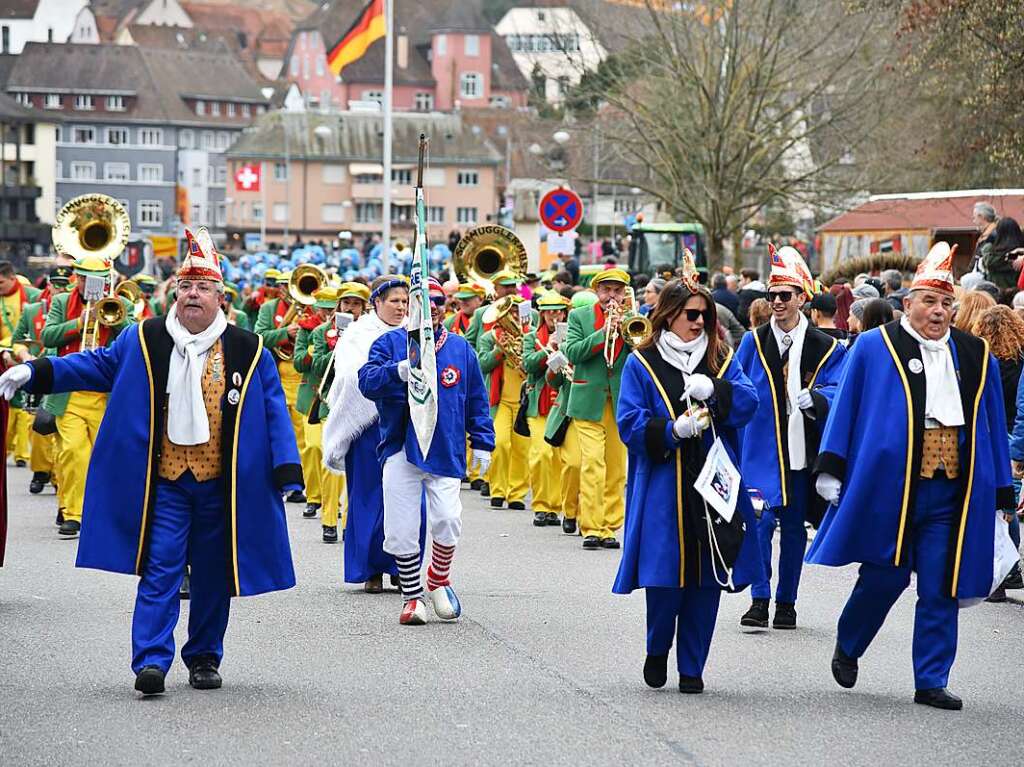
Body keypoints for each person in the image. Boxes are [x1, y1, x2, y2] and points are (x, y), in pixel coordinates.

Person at [0, 227, 301, 696]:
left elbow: (272, 407)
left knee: (213, 575)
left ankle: (203, 657)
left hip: (221, 486)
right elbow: (95, 365)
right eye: (185, 286)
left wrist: (287, 470)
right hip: (165, 482)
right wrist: (36, 370)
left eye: (203, 287)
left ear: (221, 296)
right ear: (173, 293)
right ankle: (151, 661)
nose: (192, 295)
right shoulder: (146, 337)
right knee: (160, 569)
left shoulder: (248, 347)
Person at [809, 242, 1013, 711]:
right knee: (886, 576)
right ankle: (850, 641)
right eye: (929, 301)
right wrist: (831, 465)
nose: (939, 311)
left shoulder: (974, 352)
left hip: (952, 490)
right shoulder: (872, 346)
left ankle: (931, 679)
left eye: (946, 303)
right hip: (892, 486)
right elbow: (847, 409)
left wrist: (1002, 489)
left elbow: (990, 424)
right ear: (908, 303)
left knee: (942, 584)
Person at [614, 264, 763, 694]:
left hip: (714, 481)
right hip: (665, 482)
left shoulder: (721, 357)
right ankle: (658, 648)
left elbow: (749, 402)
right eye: (691, 314)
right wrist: (670, 431)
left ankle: (693, 667)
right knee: (664, 577)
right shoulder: (641, 362)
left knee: (707, 578)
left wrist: (714, 391)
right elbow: (628, 421)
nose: (699, 322)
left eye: (705, 315)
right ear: (671, 313)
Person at [358, 277, 494, 625]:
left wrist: (482, 440)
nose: (430, 308)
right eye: (422, 301)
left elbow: (477, 400)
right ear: (412, 307)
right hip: (401, 446)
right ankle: (412, 596)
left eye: (436, 301)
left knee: (448, 518)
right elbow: (366, 382)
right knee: (401, 528)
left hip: (444, 449)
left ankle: (438, 579)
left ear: (444, 307)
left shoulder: (462, 349)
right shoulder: (390, 343)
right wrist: (397, 371)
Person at [735, 245, 847, 630]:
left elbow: (841, 392)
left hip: (801, 453)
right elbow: (737, 385)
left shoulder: (827, 346)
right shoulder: (753, 341)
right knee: (760, 525)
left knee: (795, 530)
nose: (778, 302)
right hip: (761, 451)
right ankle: (759, 597)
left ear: (803, 297)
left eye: (786, 295)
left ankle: (787, 602)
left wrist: (816, 399)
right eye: (773, 295)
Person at [323, 276, 417, 590]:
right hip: (368, 425)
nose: (401, 307)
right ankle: (369, 569)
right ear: (376, 302)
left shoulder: (413, 332)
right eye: (394, 301)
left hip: (404, 422)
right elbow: (351, 377)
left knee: (401, 496)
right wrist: (391, 378)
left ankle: (400, 566)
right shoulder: (359, 333)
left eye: (404, 301)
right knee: (367, 495)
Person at [40, 256, 134, 537]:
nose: (90, 285)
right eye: (84, 279)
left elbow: (132, 338)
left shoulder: (121, 304)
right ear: (77, 279)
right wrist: (79, 323)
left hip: (105, 393)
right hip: (69, 391)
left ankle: (96, 509)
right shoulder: (60, 302)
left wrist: (116, 317)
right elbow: (47, 336)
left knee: (102, 456)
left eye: (98, 280)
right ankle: (73, 513)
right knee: (73, 452)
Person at [562, 268, 636, 549]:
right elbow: (574, 353)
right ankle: (591, 526)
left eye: (617, 291)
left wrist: (626, 331)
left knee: (616, 468)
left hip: (619, 402)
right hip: (586, 401)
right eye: (607, 290)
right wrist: (603, 333)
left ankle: (609, 527)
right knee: (593, 463)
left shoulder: (632, 319)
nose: (612, 296)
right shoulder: (579, 316)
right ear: (597, 291)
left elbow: (642, 352)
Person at [306, 282, 369, 543]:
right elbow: (312, 365)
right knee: (330, 459)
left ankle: (348, 521)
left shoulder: (369, 332)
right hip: (329, 402)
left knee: (355, 468)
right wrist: (337, 348)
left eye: (356, 304)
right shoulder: (322, 332)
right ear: (339, 306)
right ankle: (329, 520)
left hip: (359, 404)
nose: (351, 308)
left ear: (363, 308)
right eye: (347, 303)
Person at [254, 268, 321, 510]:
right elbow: (259, 336)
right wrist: (286, 332)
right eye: (282, 285)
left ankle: (300, 484)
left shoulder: (313, 307)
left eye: (286, 284)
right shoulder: (268, 309)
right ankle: (286, 479)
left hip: (303, 376)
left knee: (304, 435)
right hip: (279, 374)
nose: (285, 289)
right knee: (281, 430)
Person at [10, 266, 71, 499]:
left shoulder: (77, 310)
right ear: (49, 285)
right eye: (56, 284)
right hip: (39, 371)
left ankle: (58, 481)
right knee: (38, 428)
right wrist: (25, 357)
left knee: (62, 436)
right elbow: (18, 341)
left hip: (65, 374)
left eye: (65, 284)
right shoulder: (33, 310)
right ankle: (41, 471)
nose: (60, 289)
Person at [978, 305, 1024, 599]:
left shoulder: (987, 361)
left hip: (999, 434)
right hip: (1015, 432)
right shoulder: (1021, 359)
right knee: (1010, 501)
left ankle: (1006, 568)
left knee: (1001, 507)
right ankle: (1012, 566)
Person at [478, 294, 532, 510]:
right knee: (500, 444)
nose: (513, 317)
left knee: (521, 448)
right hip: (500, 401)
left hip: (524, 400)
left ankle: (517, 493)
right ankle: (498, 489)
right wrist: (499, 350)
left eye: (517, 312)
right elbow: (483, 364)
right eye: (510, 313)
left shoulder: (530, 336)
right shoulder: (489, 337)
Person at [522, 291, 571, 527]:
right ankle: (541, 506)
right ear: (542, 313)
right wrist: (548, 348)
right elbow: (528, 364)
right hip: (539, 403)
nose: (554, 315)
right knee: (541, 455)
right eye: (550, 311)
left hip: (563, 403)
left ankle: (556, 506)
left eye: (558, 311)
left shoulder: (572, 334)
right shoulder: (532, 336)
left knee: (560, 459)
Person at [979, 217, 1024, 290]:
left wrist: (988, 244)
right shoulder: (1019, 255)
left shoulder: (994, 255)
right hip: (1018, 294)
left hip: (998, 294)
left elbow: (988, 262)